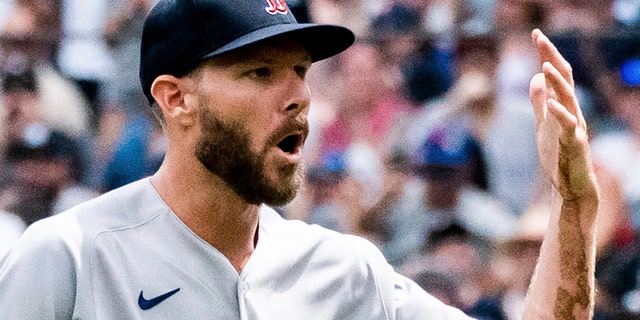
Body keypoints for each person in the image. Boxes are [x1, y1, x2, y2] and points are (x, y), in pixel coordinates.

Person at [0, 1, 599, 319]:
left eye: (299, 72)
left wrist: (573, 202)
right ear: (176, 99)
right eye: (259, 73)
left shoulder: (348, 274)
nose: (296, 97)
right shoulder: (69, 259)